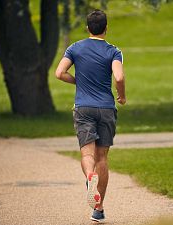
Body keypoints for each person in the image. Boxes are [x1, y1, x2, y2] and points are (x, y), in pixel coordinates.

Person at [55, 9, 126, 223]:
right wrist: (121, 97)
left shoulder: (75, 48)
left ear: (87, 28)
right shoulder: (114, 51)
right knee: (102, 157)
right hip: (106, 108)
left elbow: (59, 73)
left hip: (83, 107)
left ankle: (89, 177)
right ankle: (98, 209)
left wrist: (78, 81)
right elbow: (119, 77)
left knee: (88, 154)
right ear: (106, 28)